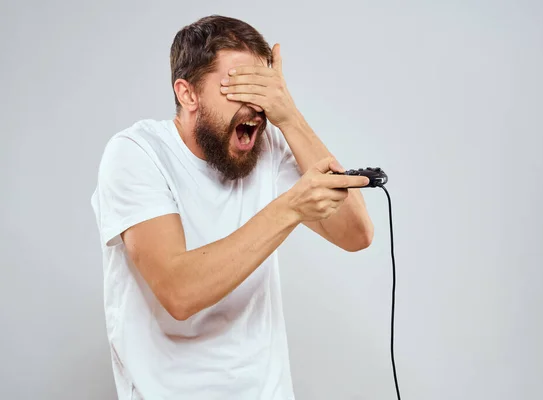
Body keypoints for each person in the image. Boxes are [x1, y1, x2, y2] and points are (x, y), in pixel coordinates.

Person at [91, 14, 374, 400]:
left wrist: (289, 115)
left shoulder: (268, 145)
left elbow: (356, 233)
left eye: (264, 90)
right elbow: (179, 292)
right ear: (187, 94)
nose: (258, 108)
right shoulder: (137, 153)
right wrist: (290, 208)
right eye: (241, 87)